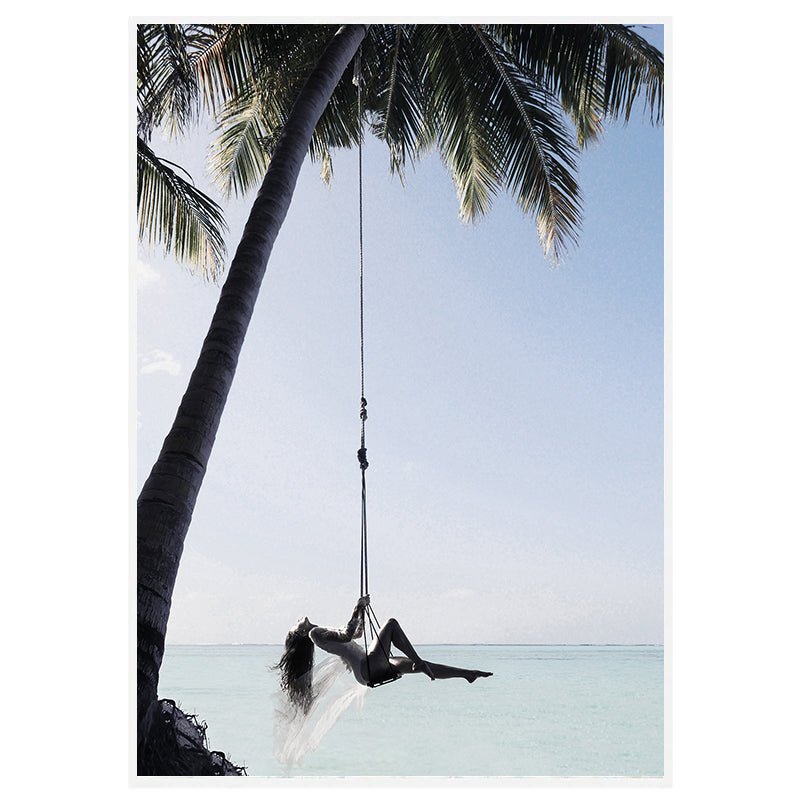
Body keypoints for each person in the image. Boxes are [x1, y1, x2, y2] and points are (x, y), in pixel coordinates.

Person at [276, 595, 492, 713]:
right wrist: (357, 607)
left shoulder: (318, 632)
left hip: (369, 667)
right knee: (391, 624)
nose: (298, 619)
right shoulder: (315, 633)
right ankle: (419, 662)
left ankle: (467, 674)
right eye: (295, 624)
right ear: (300, 632)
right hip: (367, 667)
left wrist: (361, 611)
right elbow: (347, 634)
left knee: (420, 665)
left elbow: (357, 634)